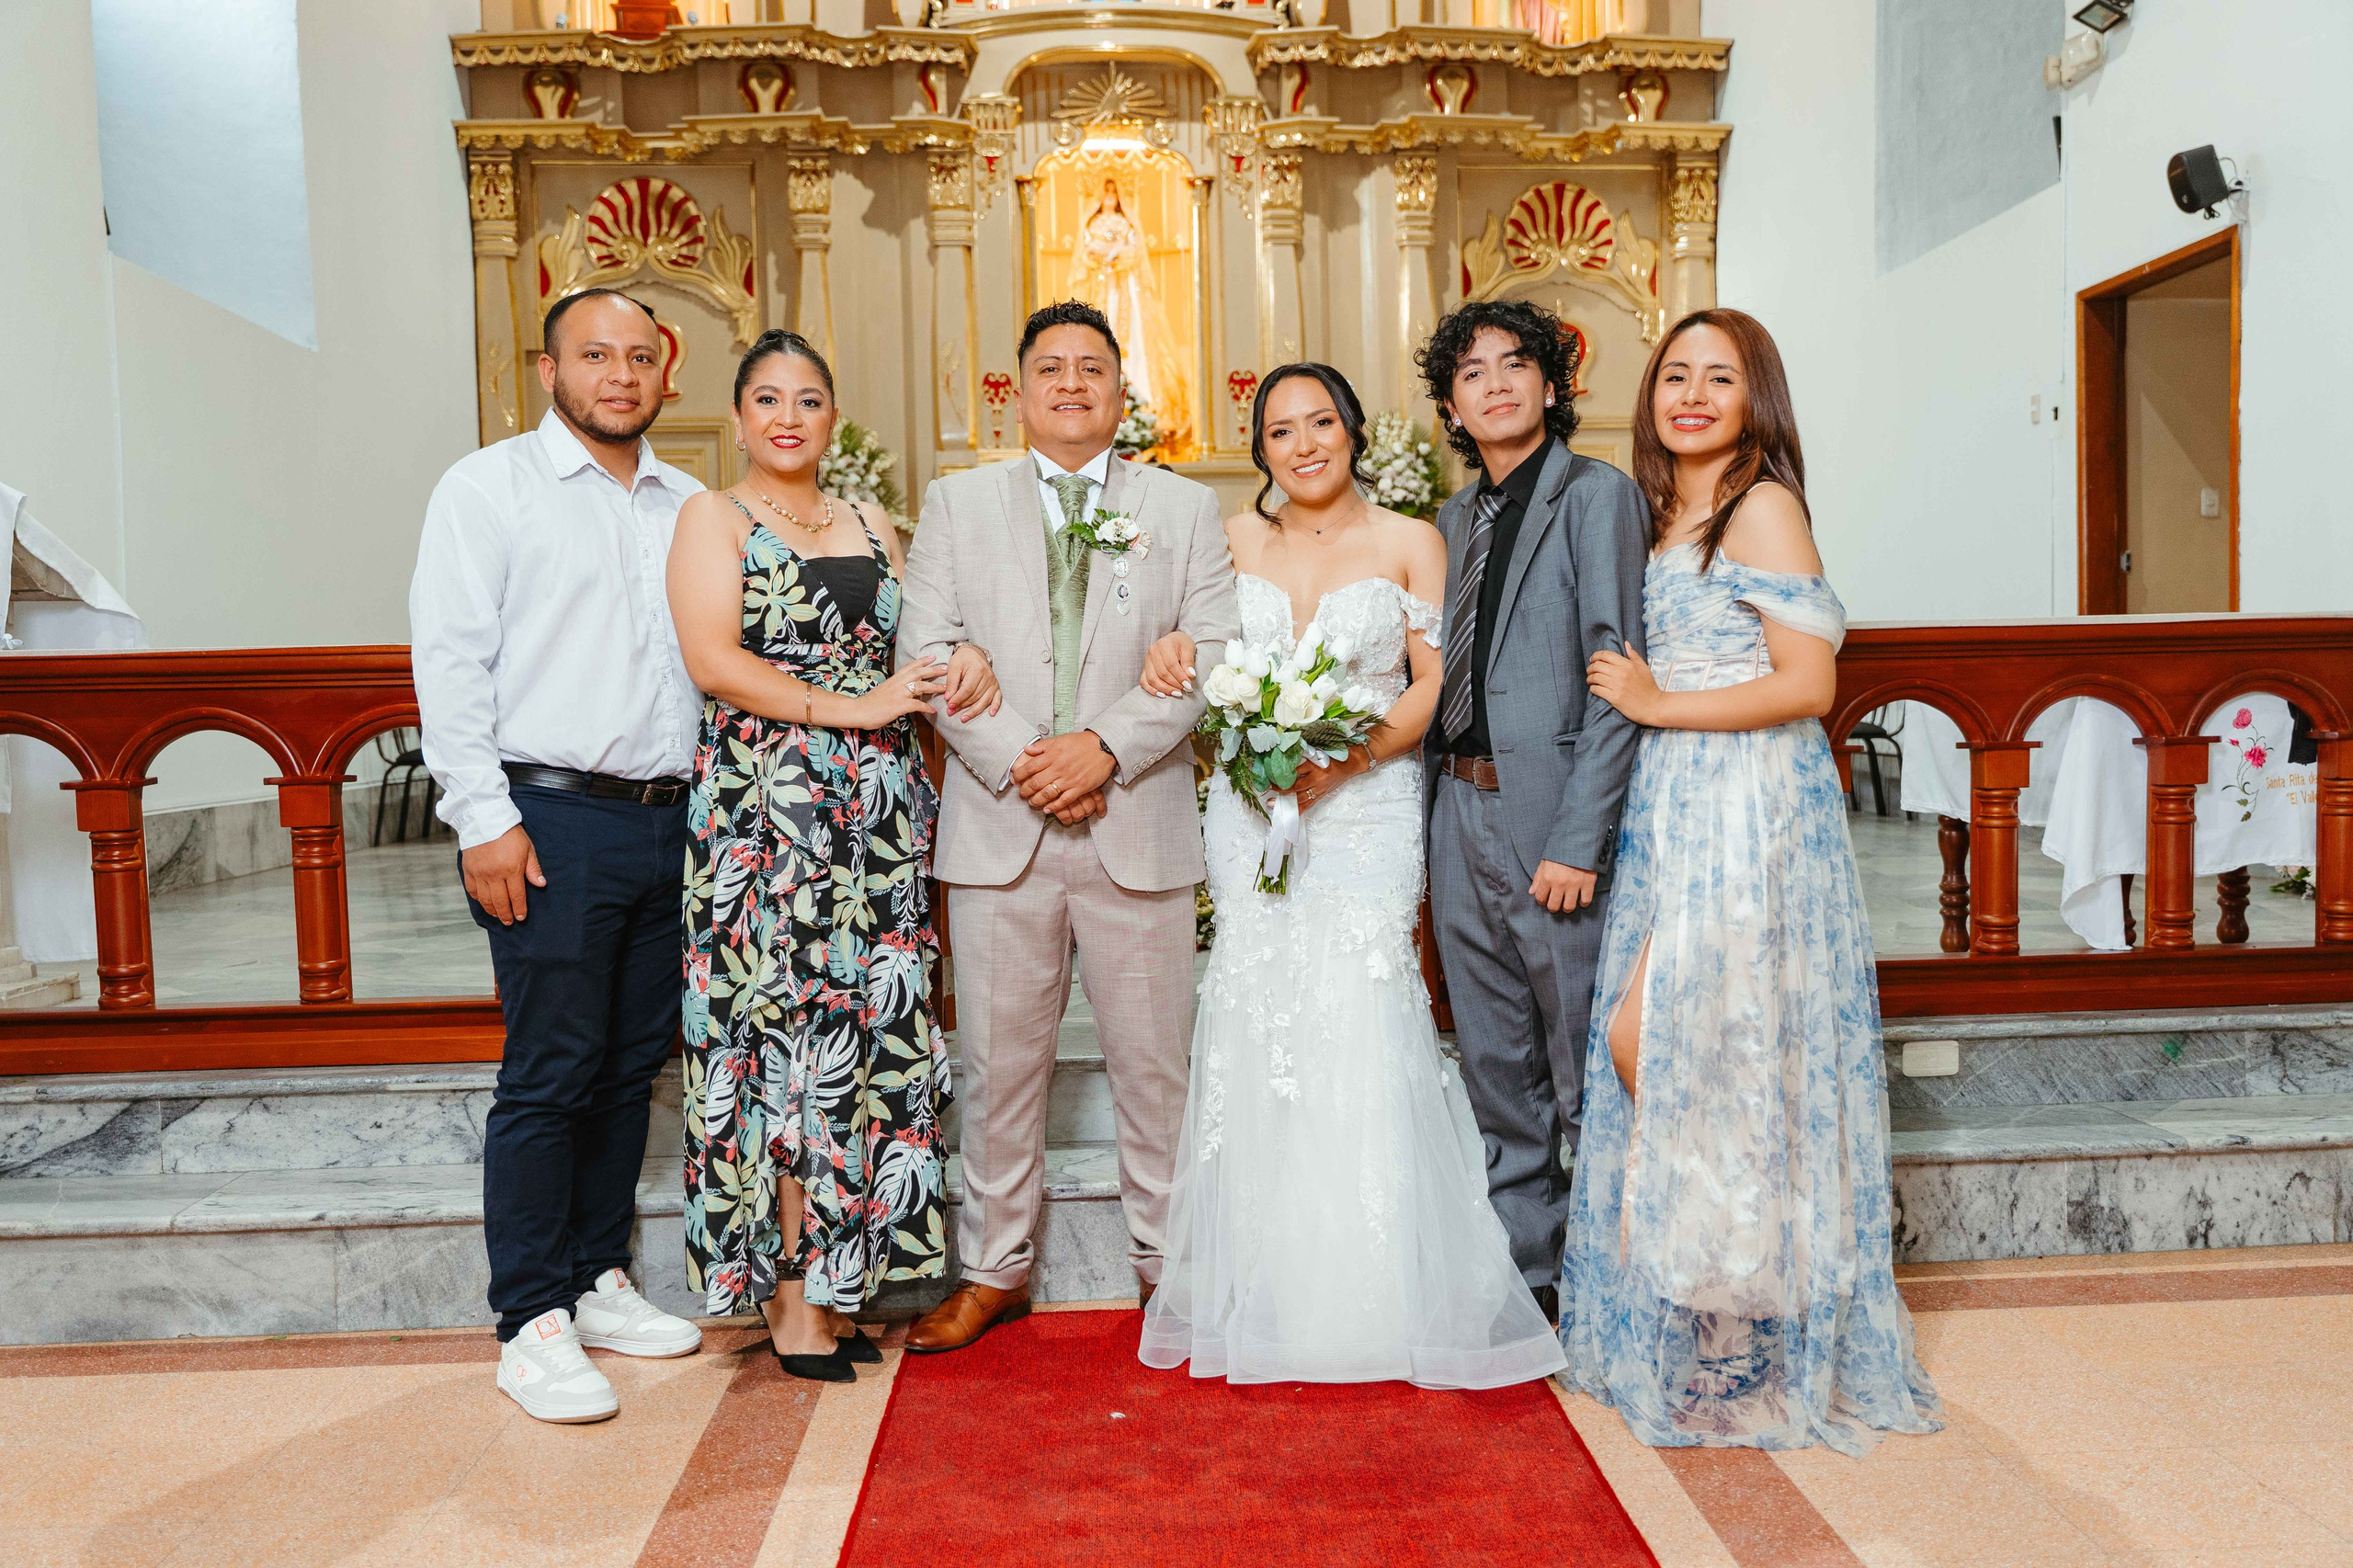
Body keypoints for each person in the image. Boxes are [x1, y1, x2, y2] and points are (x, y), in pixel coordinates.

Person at [1136, 364, 1565, 1388]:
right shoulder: (1228, 542)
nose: (1303, 443)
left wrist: (1350, 760)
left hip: (1366, 809)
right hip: (1251, 810)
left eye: (1320, 420)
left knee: (1364, 1009)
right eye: (1280, 429)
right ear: (1260, 447)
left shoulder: (1413, 539)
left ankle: (1377, 1290)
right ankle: (1269, 1282)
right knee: (1260, 1011)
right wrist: (1168, 652)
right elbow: (1184, 648)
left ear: (1353, 429)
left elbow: (1434, 681)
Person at [1562, 308, 1943, 1453]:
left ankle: (1747, 1330)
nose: (1689, 393)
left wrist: (1657, 702)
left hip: (1748, 803)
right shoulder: (1665, 509)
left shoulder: (1761, 505)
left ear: (1754, 396)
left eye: (1716, 378)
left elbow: (1809, 682)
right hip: (1680, 804)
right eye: (1673, 374)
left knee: (1688, 1043)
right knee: (1696, 1052)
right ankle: (1721, 1323)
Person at [894, 300, 1240, 1352]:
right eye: (1052, 367)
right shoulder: (957, 503)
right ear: (1019, 388)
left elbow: (1214, 649)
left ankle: (1166, 1268)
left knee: (1155, 1068)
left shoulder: (1181, 507)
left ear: (1121, 389)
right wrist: (1028, 764)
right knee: (997, 1065)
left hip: (1136, 820)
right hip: (1002, 831)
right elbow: (929, 648)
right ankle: (994, 1267)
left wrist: (1104, 747)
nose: (1073, 383)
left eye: (1093, 367)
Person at [412, 288, 708, 1425]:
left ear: (664, 376)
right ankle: (529, 1316)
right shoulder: (489, 487)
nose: (619, 374)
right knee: (549, 1067)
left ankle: (595, 1278)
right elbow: (450, 658)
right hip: (548, 816)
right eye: (596, 354)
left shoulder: (690, 504)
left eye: (639, 357)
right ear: (550, 368)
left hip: (666, 815)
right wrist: (482, 817)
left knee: (631, 1064)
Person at [668, 331, 985, 1381]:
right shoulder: (711, 517)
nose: (788, 415)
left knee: (863, 1031)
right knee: (783, 1045)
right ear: (740, 413)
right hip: (768, 813)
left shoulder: (869, 520)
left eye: (808, 398)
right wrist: (848, 709)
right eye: (767, 398)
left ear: (832, 415)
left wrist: (958, 657)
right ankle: (794, 1298)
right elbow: (715, 662)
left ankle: (850, 1281)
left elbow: (918, 645)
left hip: (878, 816)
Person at [1415, 299, 1649, 1322]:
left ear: (1551, 386)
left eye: (1516, 365)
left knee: (1581, 1064)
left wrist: (1577, 837)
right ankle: (1531, 1278)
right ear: (1451, 404)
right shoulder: (1451, 522)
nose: (1496, 383)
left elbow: (1618, 676)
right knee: (1495, 1063)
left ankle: (1610, 1279)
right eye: (1472, 372)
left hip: (1550, 822)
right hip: (1455, 816)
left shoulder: (1596, 498)